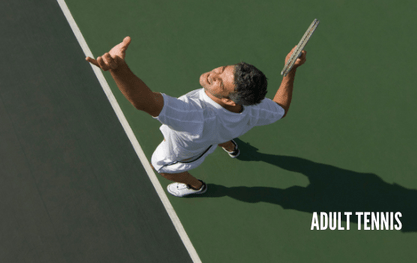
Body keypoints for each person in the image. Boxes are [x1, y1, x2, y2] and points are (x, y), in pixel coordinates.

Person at [86, 36, 306, 197]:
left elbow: (146, 103)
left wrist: (118, 69)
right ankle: (231, 148)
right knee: (220, 131)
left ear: (230, 100)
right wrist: (291, 71)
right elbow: (280, 109)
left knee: (161, 167)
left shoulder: (195, 114)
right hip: (221, 131)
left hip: (190, 148)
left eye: (219, 81)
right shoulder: (255, 107)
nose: (212, 74)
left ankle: (195, 186)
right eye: (221, 69)